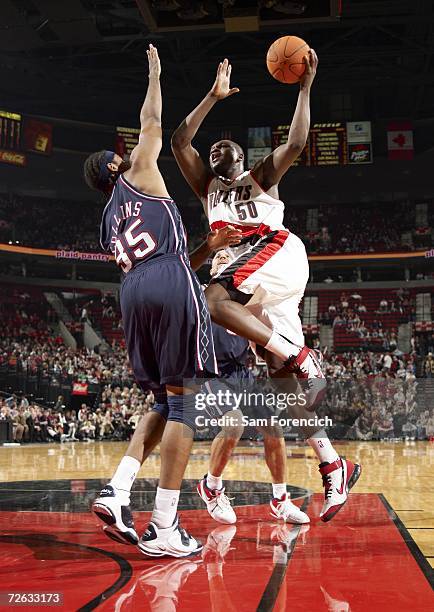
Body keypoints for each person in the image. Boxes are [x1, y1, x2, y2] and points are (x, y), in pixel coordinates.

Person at [171, 52, 361, 522]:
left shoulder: (260, 180)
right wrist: (212, 98)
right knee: (282, 385)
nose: (216, 151)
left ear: (242, 157)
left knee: (213, 299)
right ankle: (333, 463)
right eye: (212, 151)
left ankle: (299, 355)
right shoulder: (208, 189)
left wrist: (304, 88)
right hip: (258, 285)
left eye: (225, 148)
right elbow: (179, 141)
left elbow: (297, 142)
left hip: (274, 254)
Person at [83, 45, 238, 557]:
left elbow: (154, 262)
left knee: (161, 400)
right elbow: (153, 119)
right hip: (168, 282)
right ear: (116, 164)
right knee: (185, 404)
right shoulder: (141, 170)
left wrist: (203, 250)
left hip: (132, 294)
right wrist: (154, 72)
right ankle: (166, 524)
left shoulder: (108, 218)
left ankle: (119, 488)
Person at [197, 251, 309, 525]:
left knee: (273, 427)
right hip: (210, 374)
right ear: (211, 266)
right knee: (234, 424)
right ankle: (211, 487)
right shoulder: (198, 292)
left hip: (241, 372)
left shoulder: (244, 296)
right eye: (219, 256)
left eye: (229, 256)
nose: (224, 258)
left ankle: (280, 500)